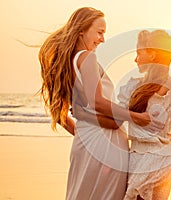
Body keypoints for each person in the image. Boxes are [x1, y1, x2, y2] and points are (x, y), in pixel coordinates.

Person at [38, 7, 163, 200]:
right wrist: (137, 117)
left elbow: (61, 116)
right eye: (100, 32)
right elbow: (97, 101)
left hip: (85, 142)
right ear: (82, 30)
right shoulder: (87, 57)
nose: (103, 39)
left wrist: (85, 124)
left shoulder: (67, 63)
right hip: (106, 145)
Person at [117, 29, 171, 200]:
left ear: (153, 54)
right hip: (166, 161)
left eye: (139, 53)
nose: (136, 58)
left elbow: (115, 120)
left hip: (141, 159)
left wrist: (88, 114)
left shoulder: (133, 87)